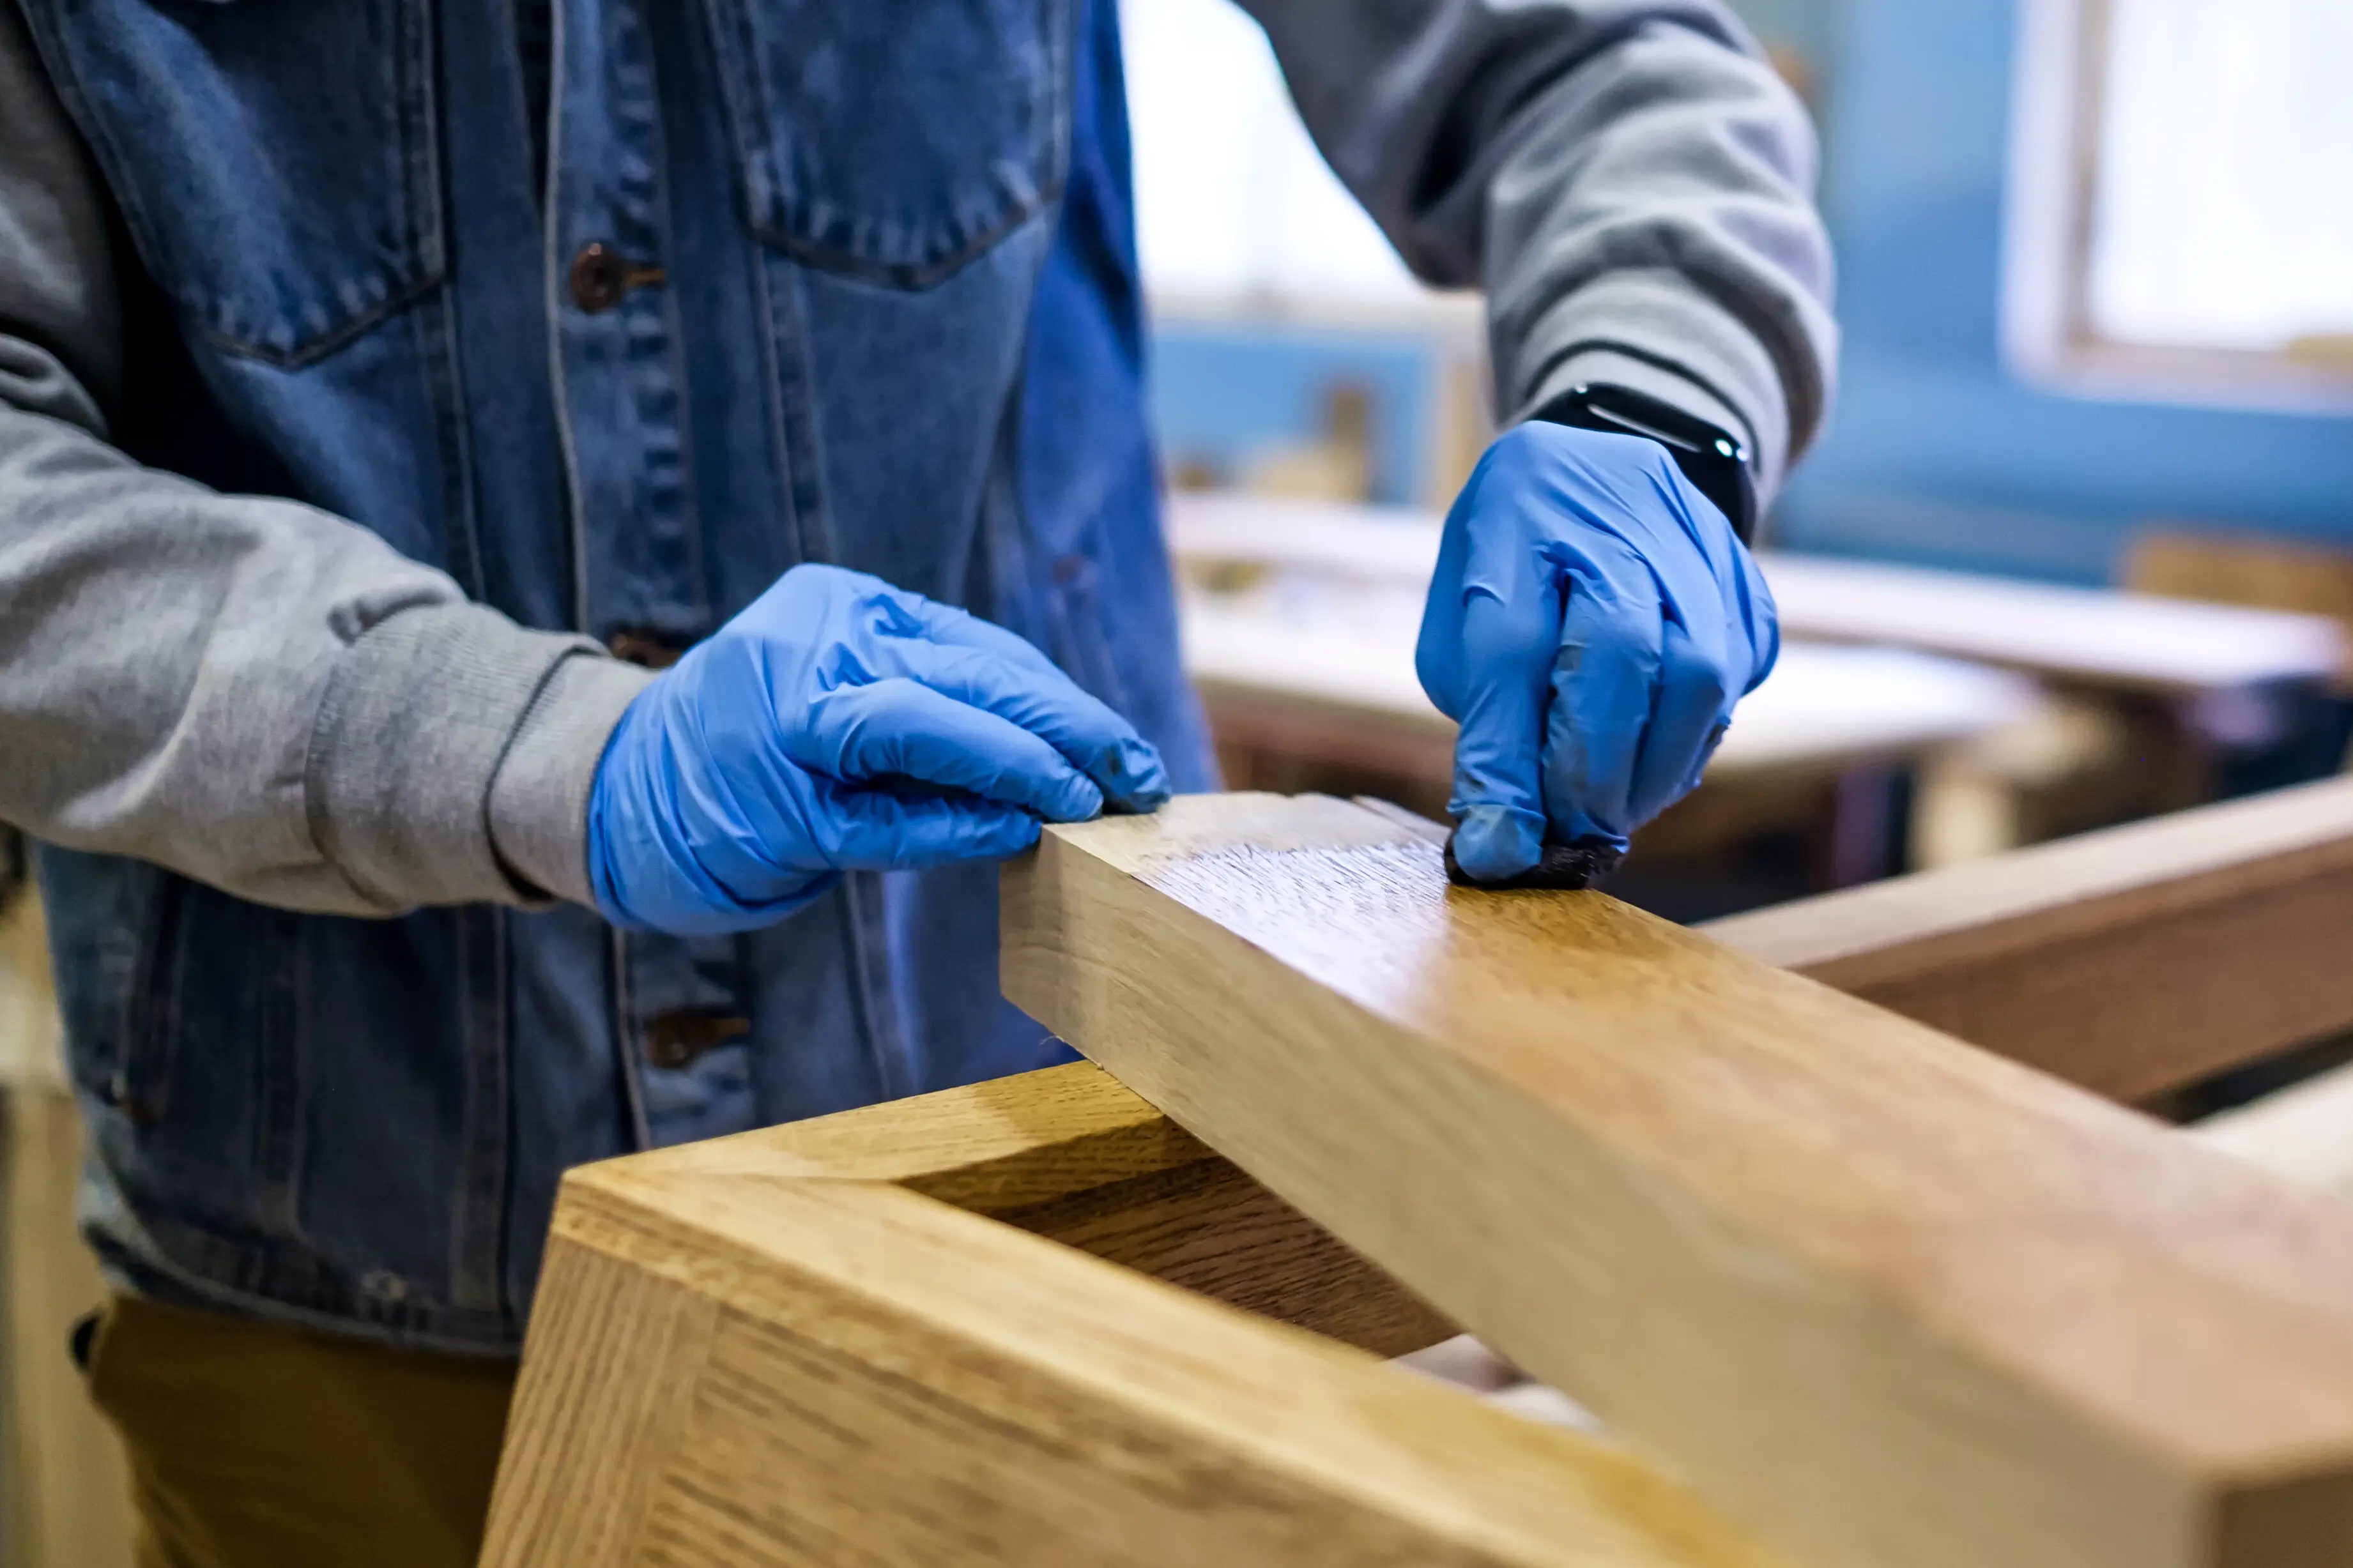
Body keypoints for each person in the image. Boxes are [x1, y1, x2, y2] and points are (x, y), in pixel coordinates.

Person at [0, 0, 1833, 1561]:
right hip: (346, 1264)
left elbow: (1595, 61)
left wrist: (1655, 407)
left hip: (1077, 1196)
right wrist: (529, 746)